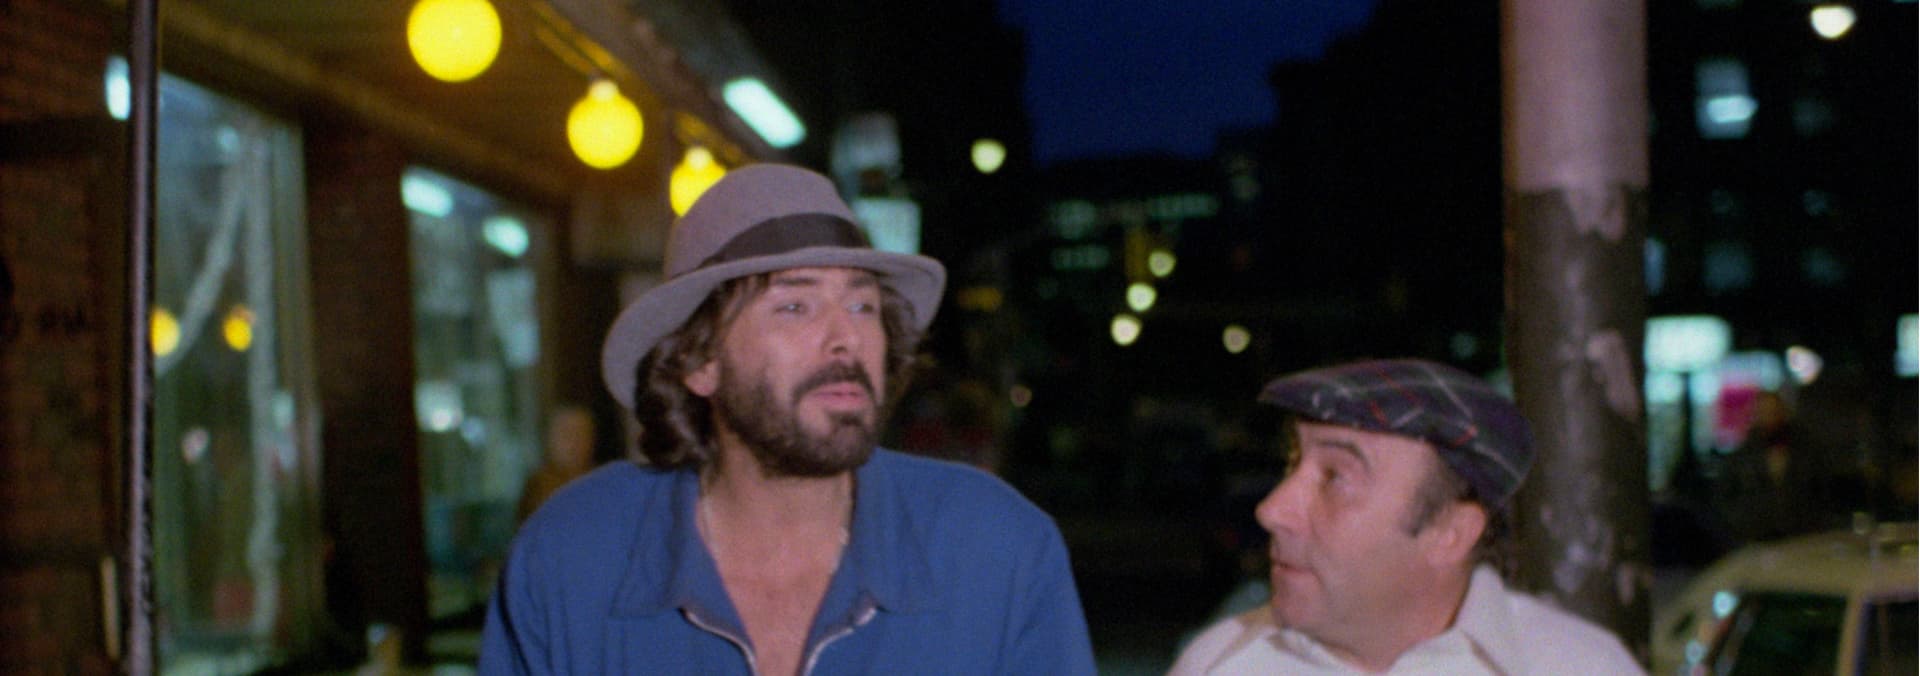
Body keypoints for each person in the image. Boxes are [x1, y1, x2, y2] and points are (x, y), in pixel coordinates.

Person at [479, 164, 1094, 675]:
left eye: (863, 305)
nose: (846, 338)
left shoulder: (997, 550)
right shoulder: (571, 558)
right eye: (795, 306)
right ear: (698, 361)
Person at [1170, 358, 1642, 675]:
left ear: (1449, 533)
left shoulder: (1580, 667)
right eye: (1294, 463)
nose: (1272, 510)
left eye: (1335, 477)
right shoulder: (1219, 663)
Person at [514, 404, 598, 524]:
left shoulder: (604, 483)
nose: (573, 442)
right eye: (566, 434)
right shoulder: (537, 488)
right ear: (550, 438)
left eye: (581, 433)